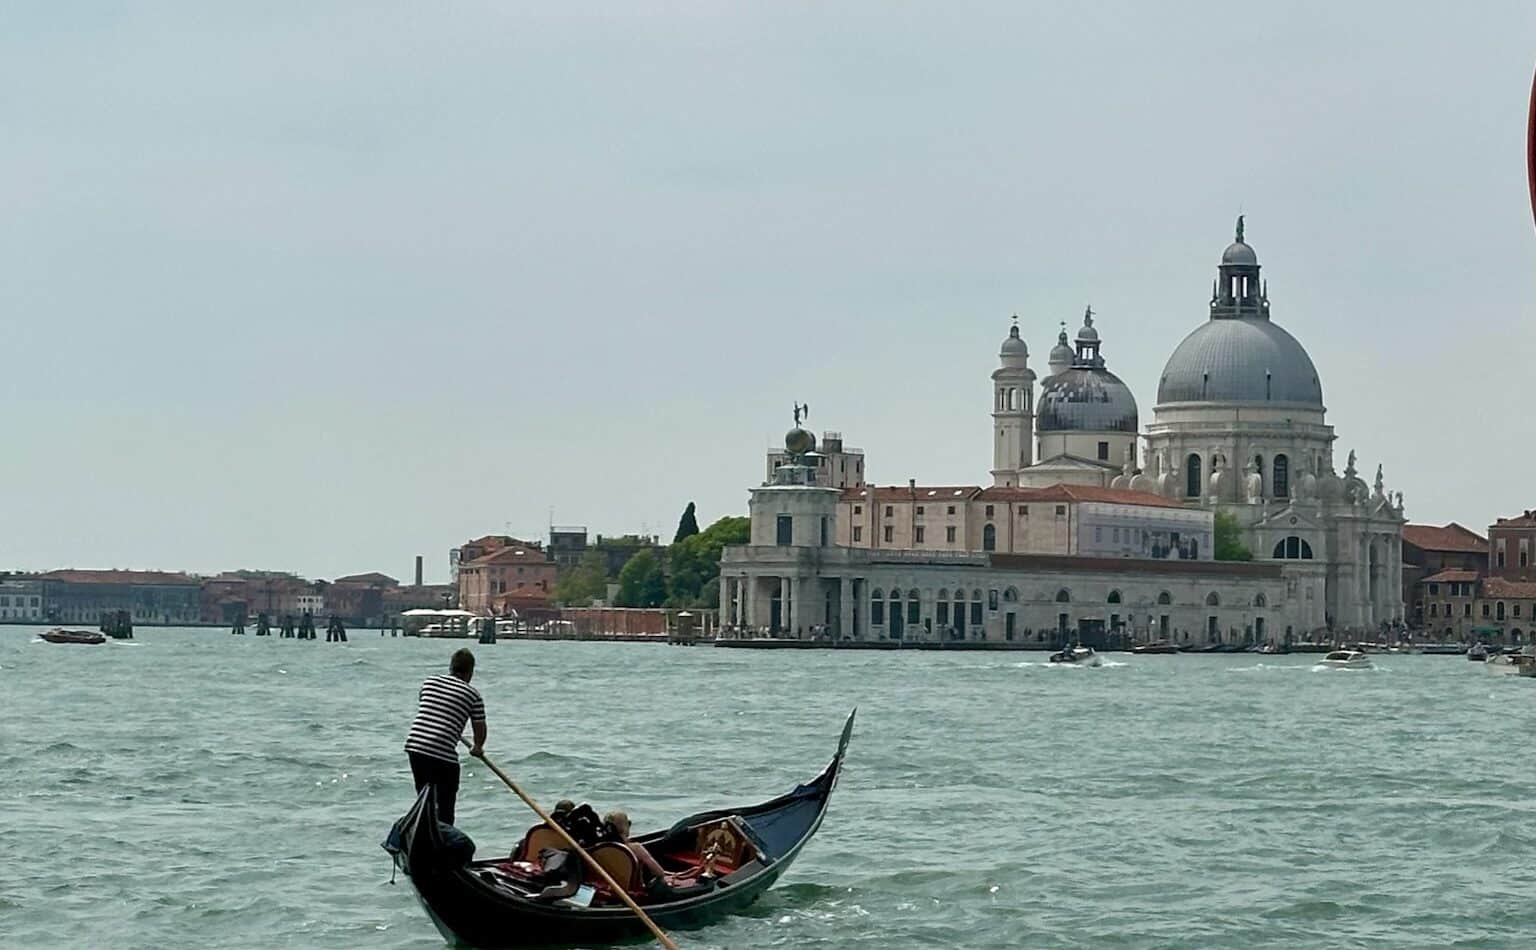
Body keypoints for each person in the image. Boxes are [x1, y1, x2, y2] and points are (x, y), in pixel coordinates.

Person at [403, 648, 487, 826]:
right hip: (441, 753)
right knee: (445, 806)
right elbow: (479, 728)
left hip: (415, 746)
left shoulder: (430, 682)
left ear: (451, 667)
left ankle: (426, 829)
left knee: (425, 798)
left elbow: (430, 706)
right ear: (470, 672)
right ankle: (443, 834)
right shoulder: (473, 695)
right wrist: (477, 747)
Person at [603, 810, 671, 884]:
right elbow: (658, 872)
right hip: (635, 890)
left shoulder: (602, 848)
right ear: (628, 825)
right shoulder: (636, 848)